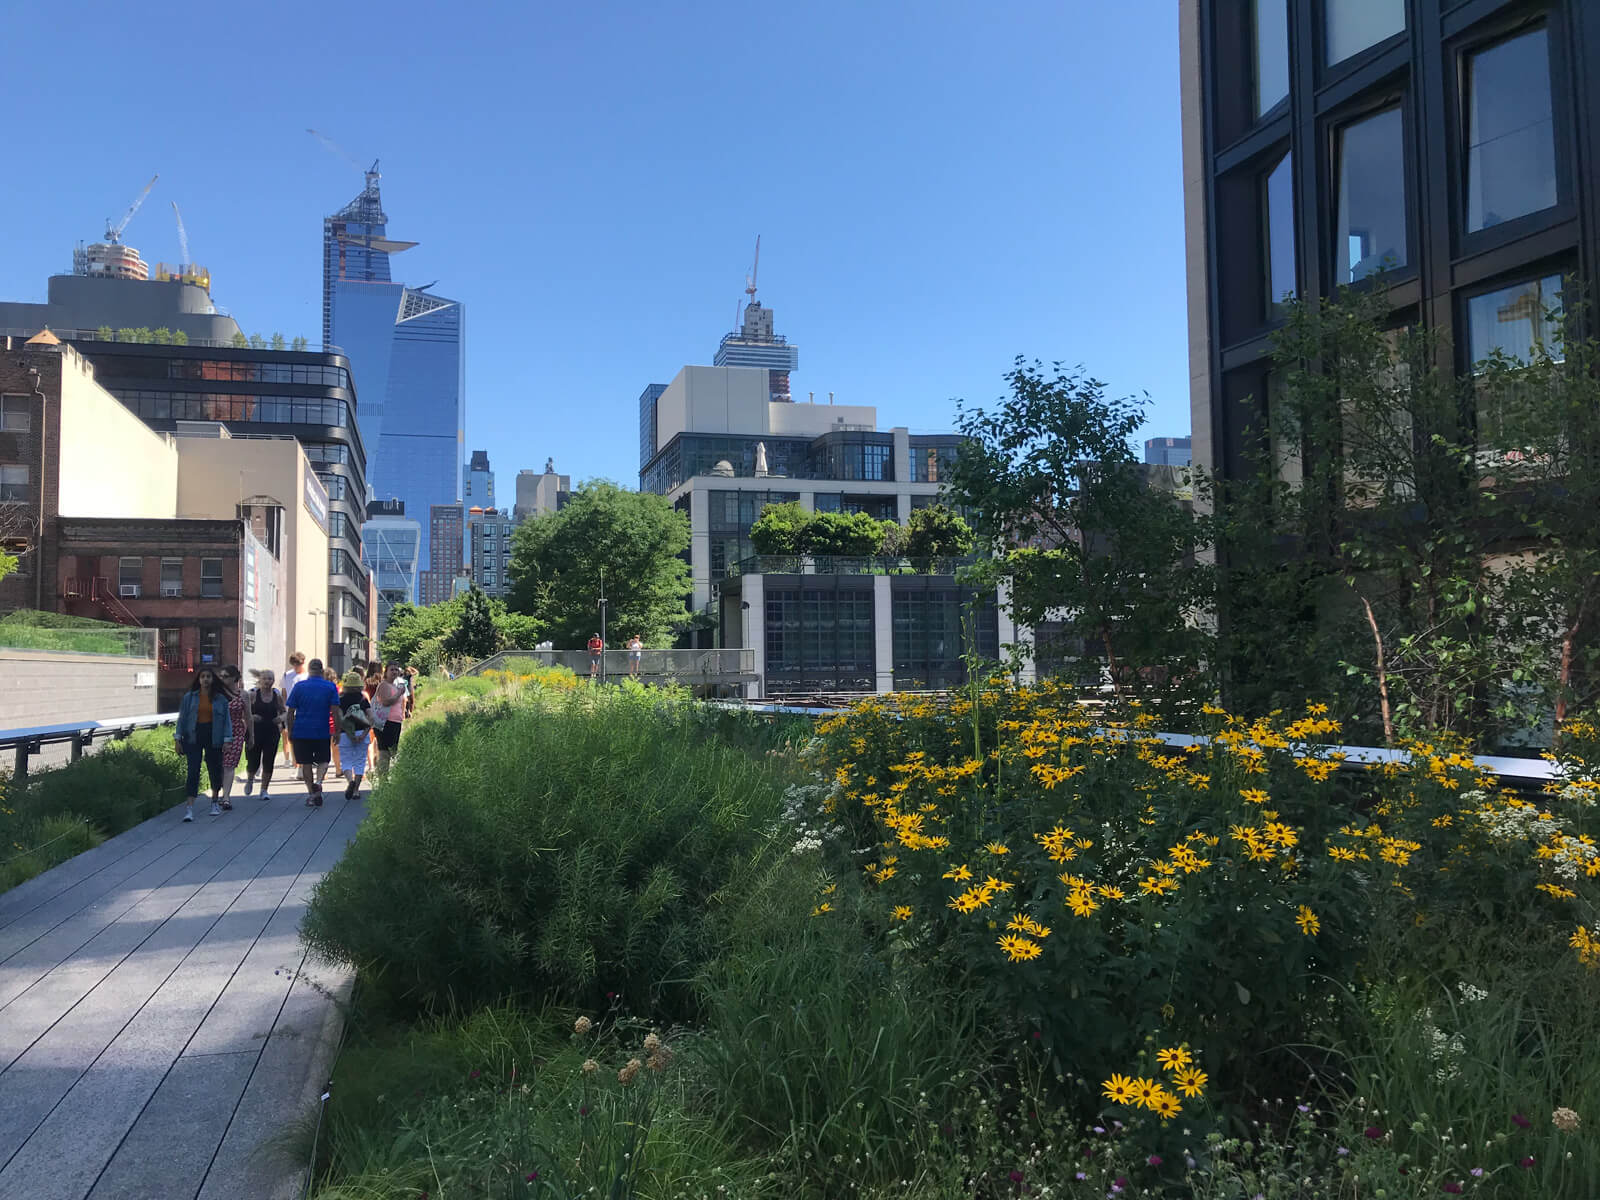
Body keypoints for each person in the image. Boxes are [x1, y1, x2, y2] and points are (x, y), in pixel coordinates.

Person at [175, 668, 233, 821]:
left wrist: (227, 740)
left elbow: (227, 721)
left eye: (208, 677)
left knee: (214, 768)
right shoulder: (190, 697)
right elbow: (182, 719)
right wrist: (177, 739)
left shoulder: (220, 699)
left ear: (213, 679)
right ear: (199, 680)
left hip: (213, 735)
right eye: (203, 677)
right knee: (193, 770)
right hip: (193, 735)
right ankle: (189, 808)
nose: (205, 679)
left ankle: (214, 802)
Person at [285, 657, 339, 807]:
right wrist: (337, 731)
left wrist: (290, 731)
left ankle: (311, 794)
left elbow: (290, 712)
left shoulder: (299, 687)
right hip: (322, 730)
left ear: (309, 670)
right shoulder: (330, 687)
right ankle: (319, 781)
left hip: (302, 730)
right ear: (322, 671)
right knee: (323, 760)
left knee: (306, 763)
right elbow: (335, 711)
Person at [244, 669, 285, 798]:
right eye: (265, 678)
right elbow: (243, 712)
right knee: (253, 761)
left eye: (270, 679)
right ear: (260, 680)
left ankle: (264, 790)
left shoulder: (276, 694)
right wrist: (252, 716)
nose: (267, 681)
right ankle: (250, 779)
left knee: (269, 760)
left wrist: (280, 719)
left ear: (273, 681)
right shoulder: (253, 694)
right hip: (255, 731)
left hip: (271, 731)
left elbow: (284, 711)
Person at [336, 669, 374, 799]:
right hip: (361, 733)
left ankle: (350, 781)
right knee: (360, 762)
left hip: (345, 734)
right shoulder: (363, 699)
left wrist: (349, 734)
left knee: (346, 761)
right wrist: (364, 734)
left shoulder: (340, 700)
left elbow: (340, 719)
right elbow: (371, 718)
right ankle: (356, 790)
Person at [215, 665, 249, 811]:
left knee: (229, 764)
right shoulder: (216, 694)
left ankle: (226, 797)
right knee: (218, 764)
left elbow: (248, 716)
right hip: (217, 731)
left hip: (236, 731)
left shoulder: (243, 694)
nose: (222, 679)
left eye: (225, 676)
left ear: (234, 678)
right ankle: (219, 792)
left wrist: (251, 736)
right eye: (221, 676)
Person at [372, 662, 408, 779]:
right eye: (392, 670)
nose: (394, 672)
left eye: (396, 670)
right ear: (386, 672)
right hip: (385, 722)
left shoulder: (394, 685)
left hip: (395, 722)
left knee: (392, 752)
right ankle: (383, 779)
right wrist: (399, 693)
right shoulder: (384, 685)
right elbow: (386, 701)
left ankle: (387, 777)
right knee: (384, 752)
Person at [280, 652, 306, 768]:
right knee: (292, 737)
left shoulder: (307, 676)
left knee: (302, 738)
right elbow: (284, 693)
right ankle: (296, 763)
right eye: (294, 665)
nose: (297, 667)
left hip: (303, 711)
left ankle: (301, 763)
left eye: (299, 664)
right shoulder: (287, 675)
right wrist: (284, 708)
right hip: (290, 710)